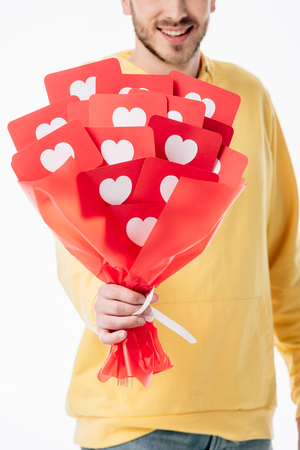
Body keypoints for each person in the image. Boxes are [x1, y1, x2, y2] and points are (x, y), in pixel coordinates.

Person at [55, 1, 300, 449]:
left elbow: (283, 259)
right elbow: (73, 248)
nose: (175, 10)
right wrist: (98, 302)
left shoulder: (251, 95)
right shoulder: (91, 95)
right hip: (132, 421)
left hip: (246, 421)